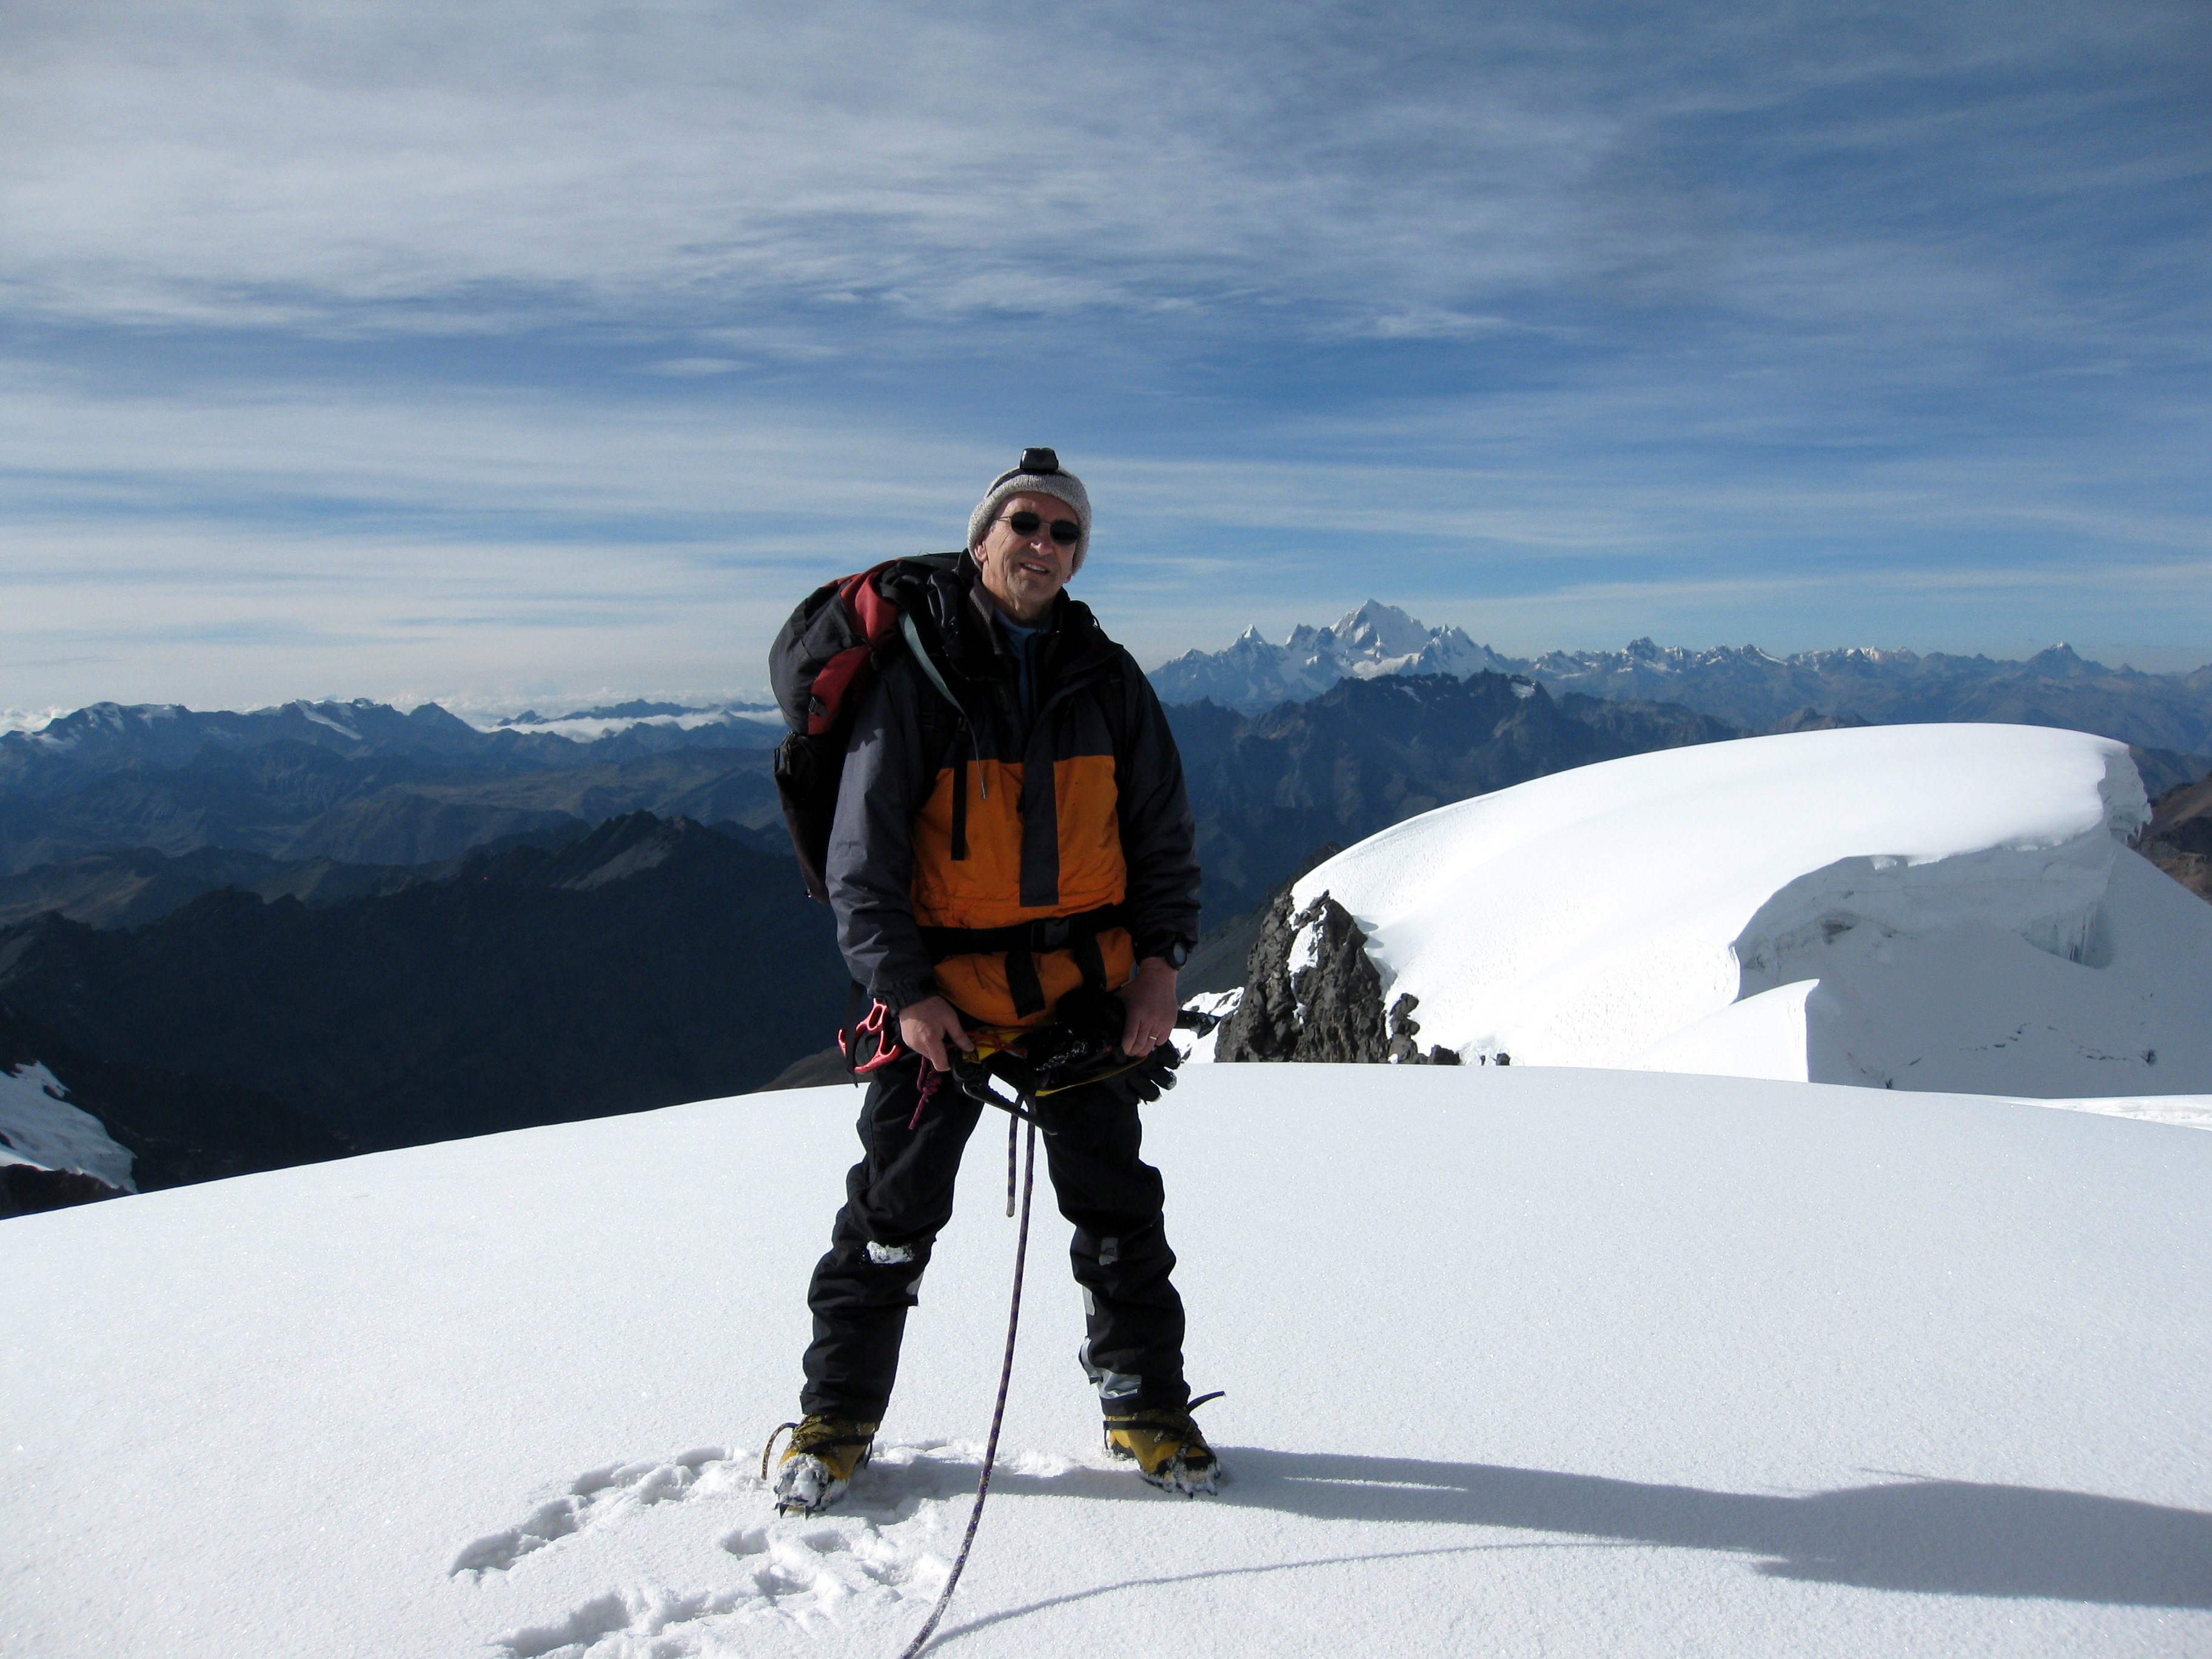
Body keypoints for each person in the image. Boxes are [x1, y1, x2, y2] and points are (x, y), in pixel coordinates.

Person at [772, 449, 1210, 1515]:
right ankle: (834, 1418)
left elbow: (1162, 840)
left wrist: (1159, 970)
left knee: (1118, 1215)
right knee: (891, 1214)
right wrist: (909, 994)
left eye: (1065, 534)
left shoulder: (1110, 681)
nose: (1044, 546)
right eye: (1025, 524)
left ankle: (1145, 1406)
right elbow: (861, 860)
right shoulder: (918, 678)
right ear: (982, 540)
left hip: (1083, 1000)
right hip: (946, 1014)